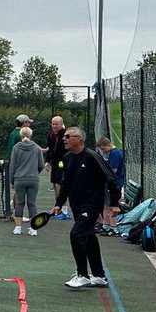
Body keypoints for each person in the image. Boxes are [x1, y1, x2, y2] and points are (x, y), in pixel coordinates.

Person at [54, 127, 121, 290]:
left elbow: (111, 179)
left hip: (91, 204)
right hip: (76, 204)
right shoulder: (67, 158)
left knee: (76, 235)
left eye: (68, 136)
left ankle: (82, 275)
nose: (64, 139)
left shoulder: (93, 156)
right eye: (64, 137)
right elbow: (66, 184)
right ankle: (99, 276)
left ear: (79, 139)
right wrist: (59, 203)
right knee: (89, 237)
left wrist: (114, 203)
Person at [9, 126, 44, 235]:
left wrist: (12, 180)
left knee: (19, 203)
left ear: (21, 136)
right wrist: (34, 173)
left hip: (19, 179)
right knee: (32, 204)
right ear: (30, 135)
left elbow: (12, 166)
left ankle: (18, 228)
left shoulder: (16, 148)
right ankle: (33, 229)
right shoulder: (37, 148)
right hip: (33, 179)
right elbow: (41, 165)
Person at [96, 136, 126, 230]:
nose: (103, 151)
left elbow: (114, 169)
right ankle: (106, 225)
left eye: (103, 148)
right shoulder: (113, 153)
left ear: (108, 145)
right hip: (114, 182)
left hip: (114, 183)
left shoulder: (114, 153)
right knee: (107, 204)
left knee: (112, 206)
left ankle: (113, 227)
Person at [45, 116, 69, 218]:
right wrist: (47, 161)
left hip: (62, 163)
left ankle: (64, 211)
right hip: (54, 162)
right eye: (53, 124)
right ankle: (57, 208)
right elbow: (49, 149)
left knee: (60, 186)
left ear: (61, 124)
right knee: (55, 185)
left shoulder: (66, 135)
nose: (54, 126)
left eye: (56, 124)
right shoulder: (50, 135)